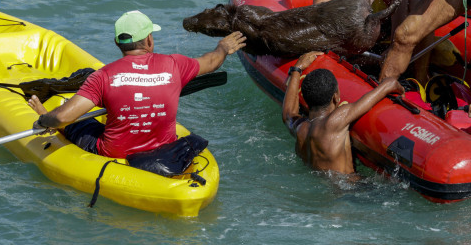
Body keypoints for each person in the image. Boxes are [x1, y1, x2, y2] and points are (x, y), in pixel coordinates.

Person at [29, 10, 246, 159]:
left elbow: (62, 117)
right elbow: (211, 62)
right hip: (162, 149)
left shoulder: (102, 77)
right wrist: (223, 47)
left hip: (114, 152)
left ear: (117, 43)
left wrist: (43, 119)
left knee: (76, 124)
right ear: (149, 40)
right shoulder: (175, 65)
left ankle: (43, 112)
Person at [282, 51, 403, 175]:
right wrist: (393, 86)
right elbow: (384, 89)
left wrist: (297, 70)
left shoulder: (300, 128)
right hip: (349, 188)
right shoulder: (334, 121)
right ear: (336, 98)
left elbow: (288, 113)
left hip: (324, 184)